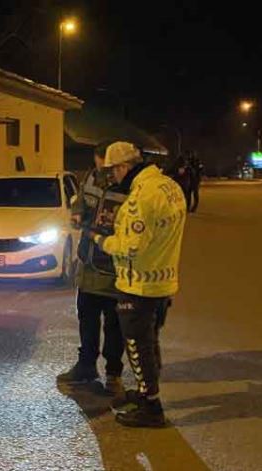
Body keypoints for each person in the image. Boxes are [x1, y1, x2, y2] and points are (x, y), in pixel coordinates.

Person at [89, 142, 186, 428]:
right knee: (150, 341)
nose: (112, 177)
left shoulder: (140, 197)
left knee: (137, 346)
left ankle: (151, 407)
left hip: (138, 284)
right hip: (162, 279)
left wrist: (100, 240)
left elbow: (130, 247)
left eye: (113, 171)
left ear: (123, 167)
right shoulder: (169, 186)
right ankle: (146, 393)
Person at [57, 144, 127, 397]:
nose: (100, 168)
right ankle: (86, 366)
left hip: (114, 266)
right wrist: (78, 213)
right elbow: (81, 201)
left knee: (114, 324)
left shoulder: (128, 185)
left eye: (103, 162)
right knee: (87, 318)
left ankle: (113, 374)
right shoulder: (92, 177)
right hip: (88, 263)